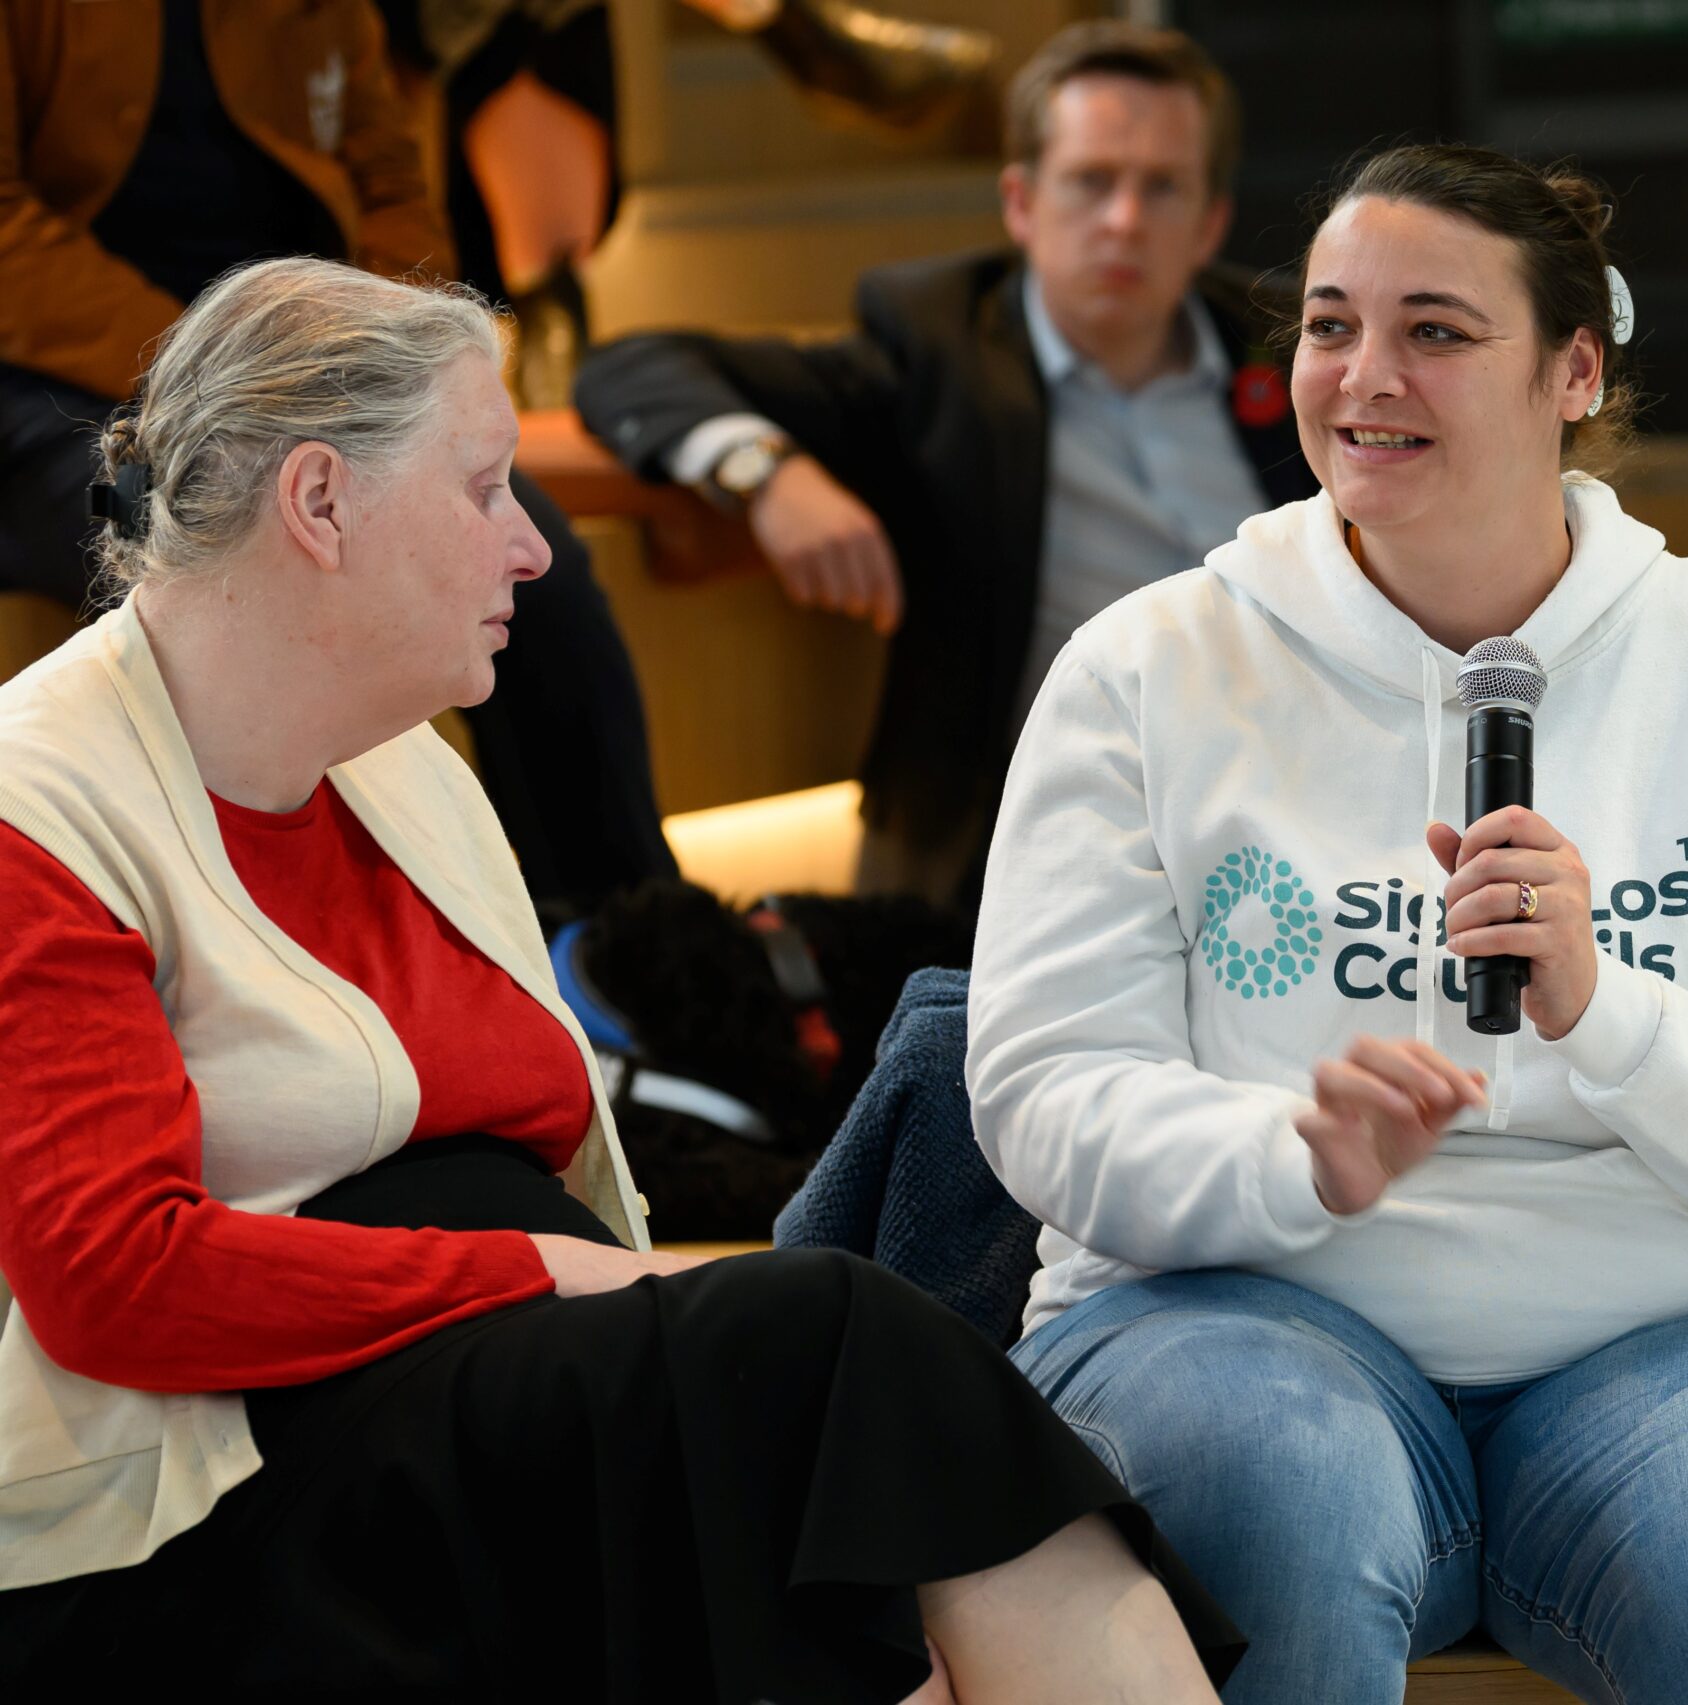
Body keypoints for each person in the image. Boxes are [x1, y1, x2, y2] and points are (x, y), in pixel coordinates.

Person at [0, 257, 1237, 1704]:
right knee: (828, 1339)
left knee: (858, 1498)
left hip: (493, 1421)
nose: (530, 548)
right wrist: (549, 1268)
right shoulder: (39, 805)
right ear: (321, 504)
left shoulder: (408, 769)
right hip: (210, 1509)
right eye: (484, 490)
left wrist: (586, 1292)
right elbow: (115, 1285)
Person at [966, 142, 1688, 1703]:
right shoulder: (1141, 671)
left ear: (1575, 370)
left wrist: (1609, 1011)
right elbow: (1043, 1088)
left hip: (1680, 1344)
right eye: (1328, 325)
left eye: (1435, 330)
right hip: (1233, 1312)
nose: (1365, 377)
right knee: (1276, 1498)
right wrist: (1292, 1160)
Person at [575, 19, 1317, 901]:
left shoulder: (1293, 346)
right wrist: (764, 470)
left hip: (1290, 815)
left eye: (1162, 187)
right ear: (1020, 203)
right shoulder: (941, 349)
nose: (1124, 219)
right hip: (1033, 853)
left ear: (1209, 224)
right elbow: (633, 367)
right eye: (1091, 181)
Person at [0, 0, 676, 910]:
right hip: (67, 384)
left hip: (309, 372)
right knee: (187, 544)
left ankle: (631, 949)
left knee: (528, 569)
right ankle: (241, 951)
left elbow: (391, 186)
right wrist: (227, 366)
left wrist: (387, 362)